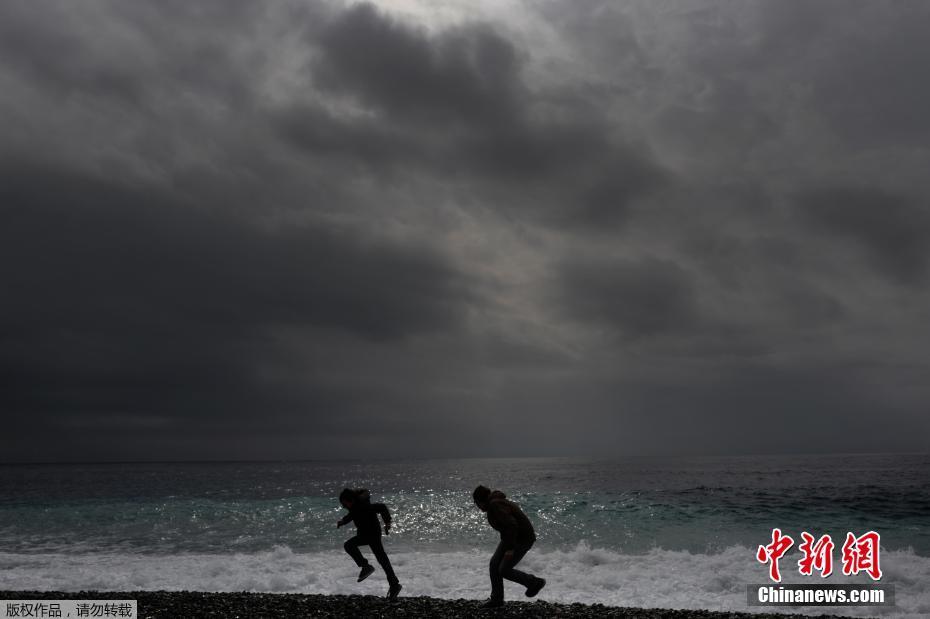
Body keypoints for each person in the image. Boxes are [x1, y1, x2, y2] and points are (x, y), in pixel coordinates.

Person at [473, 485, 545, 608]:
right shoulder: (495, 503)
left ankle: (534, 582)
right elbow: (507, 527)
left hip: (521, 538)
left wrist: (510, 549)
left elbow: (512, 525)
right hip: (511, 537)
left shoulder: (495, 505)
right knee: (494, 563)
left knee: (504, 570)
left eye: (476, 503)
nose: (478, 507)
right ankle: (496, 599)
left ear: (480, 501)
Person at [337, 487, 402, 599]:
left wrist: (387, 522)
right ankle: (394, 585)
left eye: (344, 504)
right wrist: (343, 521)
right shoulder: (356, 506)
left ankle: (366, 567)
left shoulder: (363, 505)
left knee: (349, 545)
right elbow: (352, 514)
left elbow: (381, 507)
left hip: (370, 534)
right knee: (382, 559)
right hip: (369, 533)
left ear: (351, 500)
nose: (344, 506)